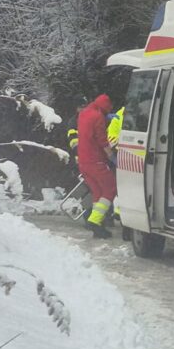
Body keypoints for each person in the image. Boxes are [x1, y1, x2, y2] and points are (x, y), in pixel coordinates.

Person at [77, 93, 116, 239]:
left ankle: (97, 224)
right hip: (96, 161)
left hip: (83, 162)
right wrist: (111, 156)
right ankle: (95, 221)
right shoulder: (98, 116)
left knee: (98, 192)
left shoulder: (83, 114)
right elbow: (102, 139)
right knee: (110, 188)